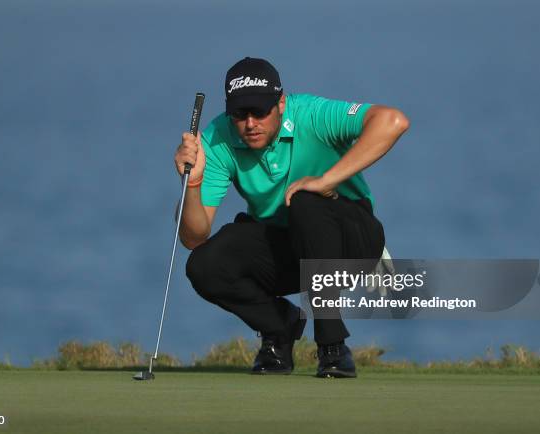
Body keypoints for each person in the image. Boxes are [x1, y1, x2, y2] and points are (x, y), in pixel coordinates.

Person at [174, 57, 409, 378]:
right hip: (293, 246)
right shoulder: (217, 138)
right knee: (205, 264)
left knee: (305, 201)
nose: (251, 123)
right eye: (240, 114)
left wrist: (326, 181)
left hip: (352, 241)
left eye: (260, 111)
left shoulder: (311, 115)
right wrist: (194, 183)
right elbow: (193, 238)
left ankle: (332, 346)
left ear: (281, 103)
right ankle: (279, 329)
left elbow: (393, 121)